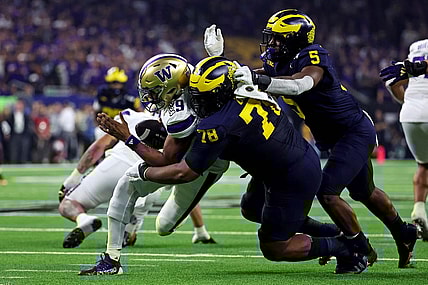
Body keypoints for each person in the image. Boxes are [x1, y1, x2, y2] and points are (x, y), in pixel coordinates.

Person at [120, 56, 371, 275]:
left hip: (290, 175)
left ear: (216, 95)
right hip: (287, 161)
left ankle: (344, 248)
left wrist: (144, 172)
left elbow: (183, 172)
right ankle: (332, 232)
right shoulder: (246, 88)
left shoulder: (217, 126)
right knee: (252, 208)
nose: (197, 102)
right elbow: (222, 73)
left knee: (273, 246)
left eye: (201, 97)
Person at [229, 9, 419, 268]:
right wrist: (231, 74)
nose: (272, 44)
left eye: (278, 39)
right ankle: (403, 232)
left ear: (296, 40)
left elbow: (301, 84)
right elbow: (265, 73)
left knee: (328, 192)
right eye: (271, 37)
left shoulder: (313, 56)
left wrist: (259, 80)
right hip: (332, 136)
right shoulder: (281, 60)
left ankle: (357, 246)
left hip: (353, 131)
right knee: (364, 191)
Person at [78, 54, 229, 275]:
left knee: (164, 226)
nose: (150, 96)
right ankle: (112, 260)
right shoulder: (187, 86)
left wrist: (128, 138)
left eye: (156, 89)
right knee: (127, 182)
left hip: (204, 166)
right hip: (183, 156)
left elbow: (164, 160)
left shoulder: (182, 112)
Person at [59, 108, 215, 248]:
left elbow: (98, 147)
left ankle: (83, 219)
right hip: (149, 180)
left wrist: (72, 179)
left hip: (115, 165)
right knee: (127, 237)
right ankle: (127, 231)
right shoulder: (181, 132)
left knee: (68, 204)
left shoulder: (131, 116)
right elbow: (185, 191)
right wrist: (200, 229)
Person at [380, 38, 428, 241]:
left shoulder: (416, 47)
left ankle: (419, 208)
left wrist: (408, 101)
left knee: (424, 165)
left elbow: (393, 84)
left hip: (410, 113)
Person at [93, 67, 142, 140]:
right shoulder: (102, 94)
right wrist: (98, 125)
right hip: (105, 128)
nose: (116, 86)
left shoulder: (131, 98)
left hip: (125, 130)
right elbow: (96, 111)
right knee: (98, 132)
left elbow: (140, 114)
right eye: (113, 83)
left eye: (118, 83)